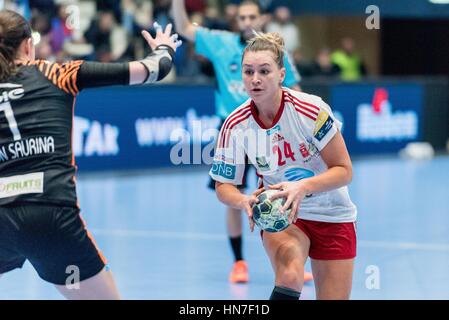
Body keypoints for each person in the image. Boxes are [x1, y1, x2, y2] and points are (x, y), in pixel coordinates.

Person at [0, 9, 181, 299]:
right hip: (51, 216)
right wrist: (164, 47)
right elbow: (155, 69)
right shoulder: (58, 73)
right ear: (27, 45)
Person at [172, 0, 312, 284]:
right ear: (236, 19)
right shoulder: (220, 42)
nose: (248, 21)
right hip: (233, 130)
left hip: (271, 129)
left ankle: (293, 260)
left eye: (252, 16)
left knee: (286, 193)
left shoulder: (276, 54)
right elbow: (184, 27)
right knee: (233, 197)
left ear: (262, 18)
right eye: (242, 17)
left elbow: (295, 90)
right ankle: (238, 262)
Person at [209, 32, 357, 300]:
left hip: (332, 212)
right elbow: (223, 186)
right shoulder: (235, 123)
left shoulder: (310, 110)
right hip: (283, 214)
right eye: (248, 71)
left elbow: (344, 170)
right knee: (289, 275)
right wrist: (243, 201)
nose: (255, 79)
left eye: (264, 71)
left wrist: (302, 187)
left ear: (281, 74)